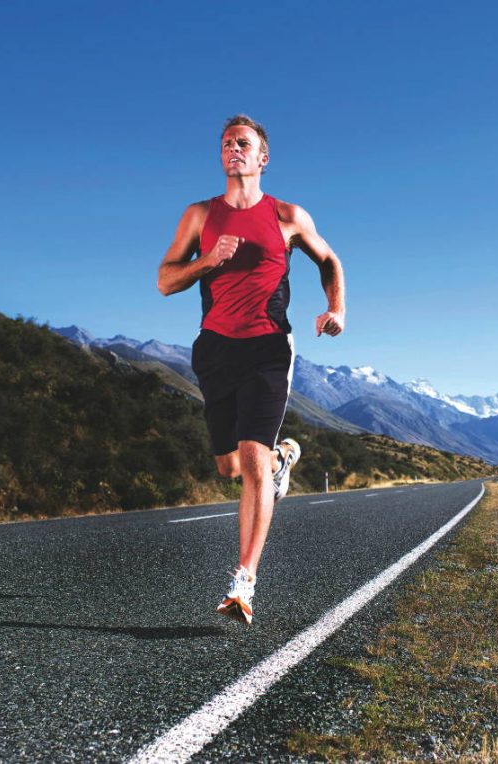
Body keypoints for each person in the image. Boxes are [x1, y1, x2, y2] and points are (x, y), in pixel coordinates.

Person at [156, 115, 346, 625]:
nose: (232, 150)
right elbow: (165, 281)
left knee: (252, 459)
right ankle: (284, 461)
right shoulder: (199, 216)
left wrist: (337, 309)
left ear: (263, 158)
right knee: (230, 467)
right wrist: (208, 261)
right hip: (215, 349)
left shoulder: (286, 215)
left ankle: (243, 582)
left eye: (243, 144)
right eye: (225, 144)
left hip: (269, 347)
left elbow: (329, 260)